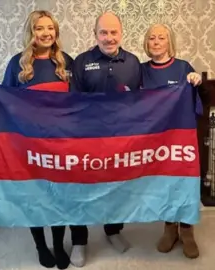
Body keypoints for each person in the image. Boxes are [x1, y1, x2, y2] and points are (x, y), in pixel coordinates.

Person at [0, 10, 75, 269]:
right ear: (31, 33)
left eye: (50, 28)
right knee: (34, 197)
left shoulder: (66, 62)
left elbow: (79, 104)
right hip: (29, 143)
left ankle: (57, 244)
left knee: (59, 196)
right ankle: (41, 246)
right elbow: (5, 99)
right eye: (39, 29)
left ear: (56, 31)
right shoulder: (17, 64)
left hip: (60, 142)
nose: (46, 33)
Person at [69, 11, 141, 256]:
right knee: (80, 189)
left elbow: (142, 100)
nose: (109, 38)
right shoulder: (81, 61)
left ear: (121, 34)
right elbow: (72, 101)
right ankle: (79, 240)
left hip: (120, 139)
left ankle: (113, 230)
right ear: (95, 34)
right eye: (103, 32)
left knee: (116, 188)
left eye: (113, 32)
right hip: (86, 137)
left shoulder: (133, 62)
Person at [141, 23, 209, 259]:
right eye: (152, 38)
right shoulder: (141, 70)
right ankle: (170, 228)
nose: (157, 41)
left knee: (184, 181)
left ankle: (187, 231)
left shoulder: (183, 68)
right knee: (164, 184)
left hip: (181, 138)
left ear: (170, 42)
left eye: (161, 37)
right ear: (146, 43)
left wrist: (197, 81)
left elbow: (202, 100)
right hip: (154, 139)